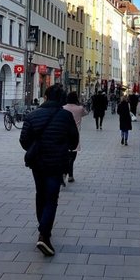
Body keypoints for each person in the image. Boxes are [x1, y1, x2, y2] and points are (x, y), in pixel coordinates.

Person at [20, 84, 79, 256]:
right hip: (56, 162)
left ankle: (43, 227)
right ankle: (44, 234)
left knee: (40, 193)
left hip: (37, 162)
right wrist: (61, 146)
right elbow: (74, 141)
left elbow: (24, 141)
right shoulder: (66, 116)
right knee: (52, 197)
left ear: (45, 97)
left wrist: (36, 147)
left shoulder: (32, 115)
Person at [63, 91, 85, 183]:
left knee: (65, 156)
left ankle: (65, 173)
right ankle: (70, 175)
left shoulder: (63, 108)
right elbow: (86, 113)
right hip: (75, 135)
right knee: (72, 157)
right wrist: (79, 104)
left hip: (64, 134)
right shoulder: (80, 108)